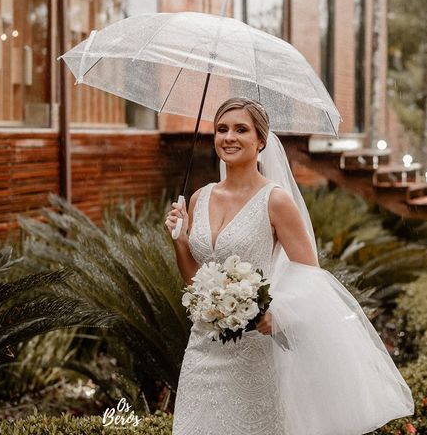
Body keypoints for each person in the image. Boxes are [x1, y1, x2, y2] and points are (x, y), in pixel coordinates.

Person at [165, 97, 414, 435]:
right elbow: (194, 281)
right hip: (202, 347)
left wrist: (276, 313)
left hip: (255, 349)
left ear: (261, 141)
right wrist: (180, 241)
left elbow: (310, 277)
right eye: (221, 129)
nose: (229, 137)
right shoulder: (199, 197)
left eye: (241, 129)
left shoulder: (276, 200)